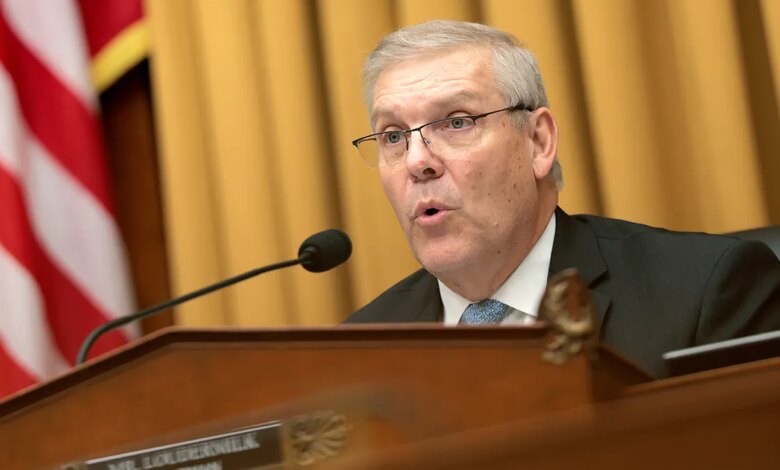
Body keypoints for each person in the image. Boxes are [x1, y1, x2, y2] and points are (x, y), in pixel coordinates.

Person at [344, 20, 780, 378]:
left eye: (457, 123)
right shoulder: (355, 352)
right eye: (394, 136)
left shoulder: (704, 293)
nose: (417, 161)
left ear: (538, 141)